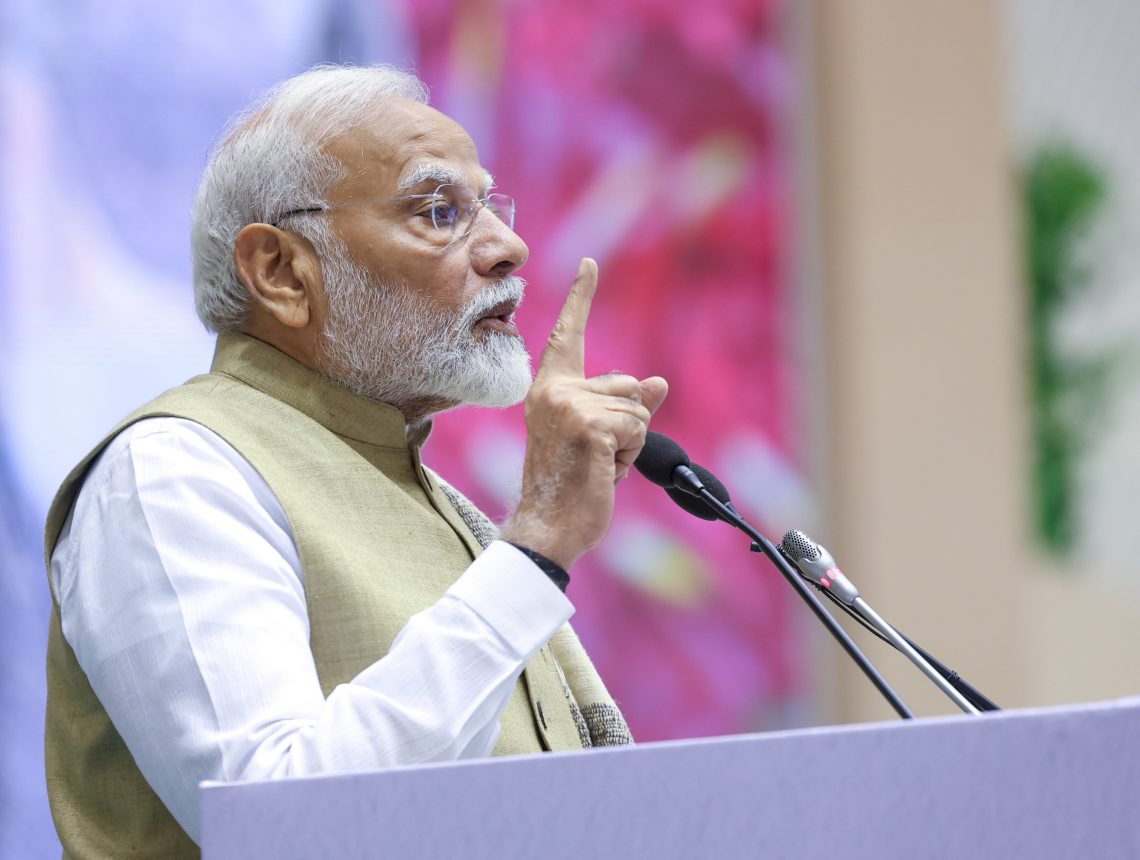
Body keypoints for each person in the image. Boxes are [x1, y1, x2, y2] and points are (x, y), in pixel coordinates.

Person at [43, 64, 668, 857]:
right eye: (439, 211)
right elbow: (277, 824)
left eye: (490, 208)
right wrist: (538, 542)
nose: (509, 247)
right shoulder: (172, 473)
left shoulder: (431, 494)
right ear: (280, 271)